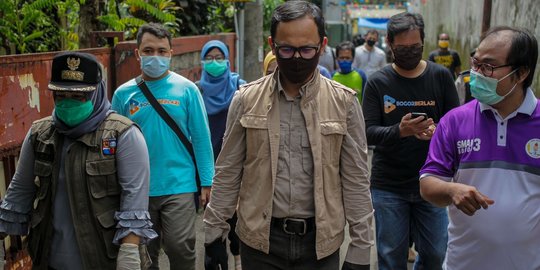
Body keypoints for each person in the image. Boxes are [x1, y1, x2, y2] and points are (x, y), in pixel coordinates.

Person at [204, 1, 374, 270]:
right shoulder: (246, 100)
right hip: (260, 244)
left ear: (322, 45)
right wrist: (213, 236)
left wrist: (361, 249)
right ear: (272, 45)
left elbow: (356, 179)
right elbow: (228, 171)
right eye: (287, 49)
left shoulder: (344, 103)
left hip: (321, 245)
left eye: (307, 49)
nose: (297, 58)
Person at [0, 51, 157, 269]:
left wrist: (129, 254)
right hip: (48, 257)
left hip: (103, 259)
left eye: (78, 96)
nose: (68, 103)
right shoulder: (40, 134)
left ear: (96, 93)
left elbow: (134, 200)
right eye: (61, 96)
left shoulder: (123, 135)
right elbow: (20, 189)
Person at [420, 26, 540, 269]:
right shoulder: (454, 121)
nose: (476, 73)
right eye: (475, 63)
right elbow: (427, 183)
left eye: (488, 67)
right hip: (462, 264)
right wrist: (451, 190)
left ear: (521, 73)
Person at [112, 23, 214, 270]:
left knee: (181, 246)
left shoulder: (187, 90)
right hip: (137, 188)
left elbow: (201, 137)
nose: (155, 56)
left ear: (170, 53)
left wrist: (207, 182)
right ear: (138, 53)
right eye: (148, 50)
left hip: (179, 183)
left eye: (161, 51)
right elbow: (111, 140)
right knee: (144, 255)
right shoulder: (123, 94)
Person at [362, 12, 460, 270]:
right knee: (391, 255)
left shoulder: (440, 77)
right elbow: (367, 132)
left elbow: (457, 126)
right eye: (403, 48)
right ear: (390, 43)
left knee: (436, 252)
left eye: (415, 47)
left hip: (434, 180)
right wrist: (399, 131)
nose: (410, 52)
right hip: (389, 185)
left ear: (424, 43)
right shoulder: (377, 83)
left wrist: (437, 131)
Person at [197, 39, 245, 270]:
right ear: (202, 60)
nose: (214, 62)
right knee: (213, 216)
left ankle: (237, 256)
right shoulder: (197, 90)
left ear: (227, 59)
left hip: (236, 161)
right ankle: (219, 260)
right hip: (208, 164)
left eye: (219, 57)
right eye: (209, 57)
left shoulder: (239, 86)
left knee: (236, 215)